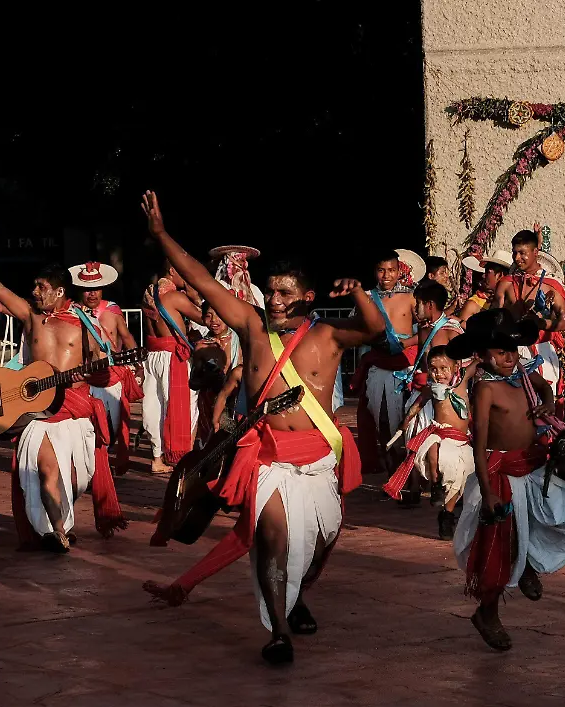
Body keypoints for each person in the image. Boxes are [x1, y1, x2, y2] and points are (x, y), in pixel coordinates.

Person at [139, 191, 383, 664]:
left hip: (318, 457)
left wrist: (357, 292)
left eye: (284, 293)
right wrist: (161, 236)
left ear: (306, 298)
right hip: (270, 457)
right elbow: (202, 281)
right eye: (270, 290)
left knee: (317, 545)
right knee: (269, 540)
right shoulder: (252, 329)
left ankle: (295, 599)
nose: (273, 299)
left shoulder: (327, 337)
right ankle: (278, 633)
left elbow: (374, 328)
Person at [0, 246, 126, 552]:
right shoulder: (30, 317)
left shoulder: (87, 326)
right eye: (34, 286)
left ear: (59, 291)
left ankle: (60, 524)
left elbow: (104, 365)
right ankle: (57, 533)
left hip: (74, 409)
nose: (34, 291)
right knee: (46, 471)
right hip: (38, 411)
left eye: (41, 287)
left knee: (75, 480)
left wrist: (88, 375)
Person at [450, 308, 565, 652]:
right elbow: (480, 446)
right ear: (482, 355)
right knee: (498, 545)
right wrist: (487, 493)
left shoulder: (525, 375)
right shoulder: (485, 390)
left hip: (533, 466)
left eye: (512, 350)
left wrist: (546, 405)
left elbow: (545, 390)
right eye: (500, 352)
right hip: (500, 476)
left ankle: (528, 563)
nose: (509, 358)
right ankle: (488, 614)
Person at [382, 345, 475, 539]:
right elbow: (417, 406)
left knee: (458, 482)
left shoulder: (463, 381)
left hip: (461, 439)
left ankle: (447, 515)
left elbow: (477, 362)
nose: (439, 374)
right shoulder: (430, 389)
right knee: (432, 446)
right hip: (439, 433)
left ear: (456, 367)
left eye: (444, 369)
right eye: (433, 369)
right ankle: (435, 485)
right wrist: (404, 423)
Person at [68, 262, 143, 473]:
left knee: (112, 428)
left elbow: (127, 337)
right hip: (85, 379)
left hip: (112, 378)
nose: (92, 294)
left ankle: (101, 466)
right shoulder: (72, 314)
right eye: (87, 290)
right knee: (87, 428)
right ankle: (91, 469)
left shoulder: (113, 310)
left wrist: (139, 366)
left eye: (96, 289)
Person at [352, 249, 422, 473]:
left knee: (408, 417)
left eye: (391, 270)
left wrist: (406, 343)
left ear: (399, 271)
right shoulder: (367, 298)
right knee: (380, 416)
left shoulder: (411, 297)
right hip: (377, 364)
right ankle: (392, 466)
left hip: (404, 364)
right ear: (375, 272)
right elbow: (355, 329)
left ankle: (407, 471)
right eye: (381, 270)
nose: (386, 275)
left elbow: (426, 330)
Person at [493, 230, 565, 406]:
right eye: (515, 252)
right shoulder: (506, 283)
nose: (517, 258)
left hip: (542, 350)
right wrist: (511, 313)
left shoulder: (551, 285)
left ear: (535, 253)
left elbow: (562, 321)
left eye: (522, 253)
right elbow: (494, 318)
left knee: (544, 403)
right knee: (513, 402)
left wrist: (541, 323)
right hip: (511, 349)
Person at [142, 258, 203, 474]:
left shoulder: (148, 294)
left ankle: (157, 459)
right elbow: (206, 319)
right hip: (172, 357)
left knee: (154, 407)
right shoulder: (174, 296)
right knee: (185, 407)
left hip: (152, 357)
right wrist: (194, 295)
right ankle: (184, 457)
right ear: (171, 271)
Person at [193, 300, 244, 444]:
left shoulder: (240, 340)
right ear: (203, 319)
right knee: (211, 444)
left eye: (219, 315)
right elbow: (194, 382)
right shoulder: (202, 346)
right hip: (210, 400)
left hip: (236, 398)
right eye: (208, 316)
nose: (214, 321)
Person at [458, 250, 510, 321]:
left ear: (500, 275)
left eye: (487, 272)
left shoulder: (511, 302)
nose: (483, 276)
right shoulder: (473, 304)